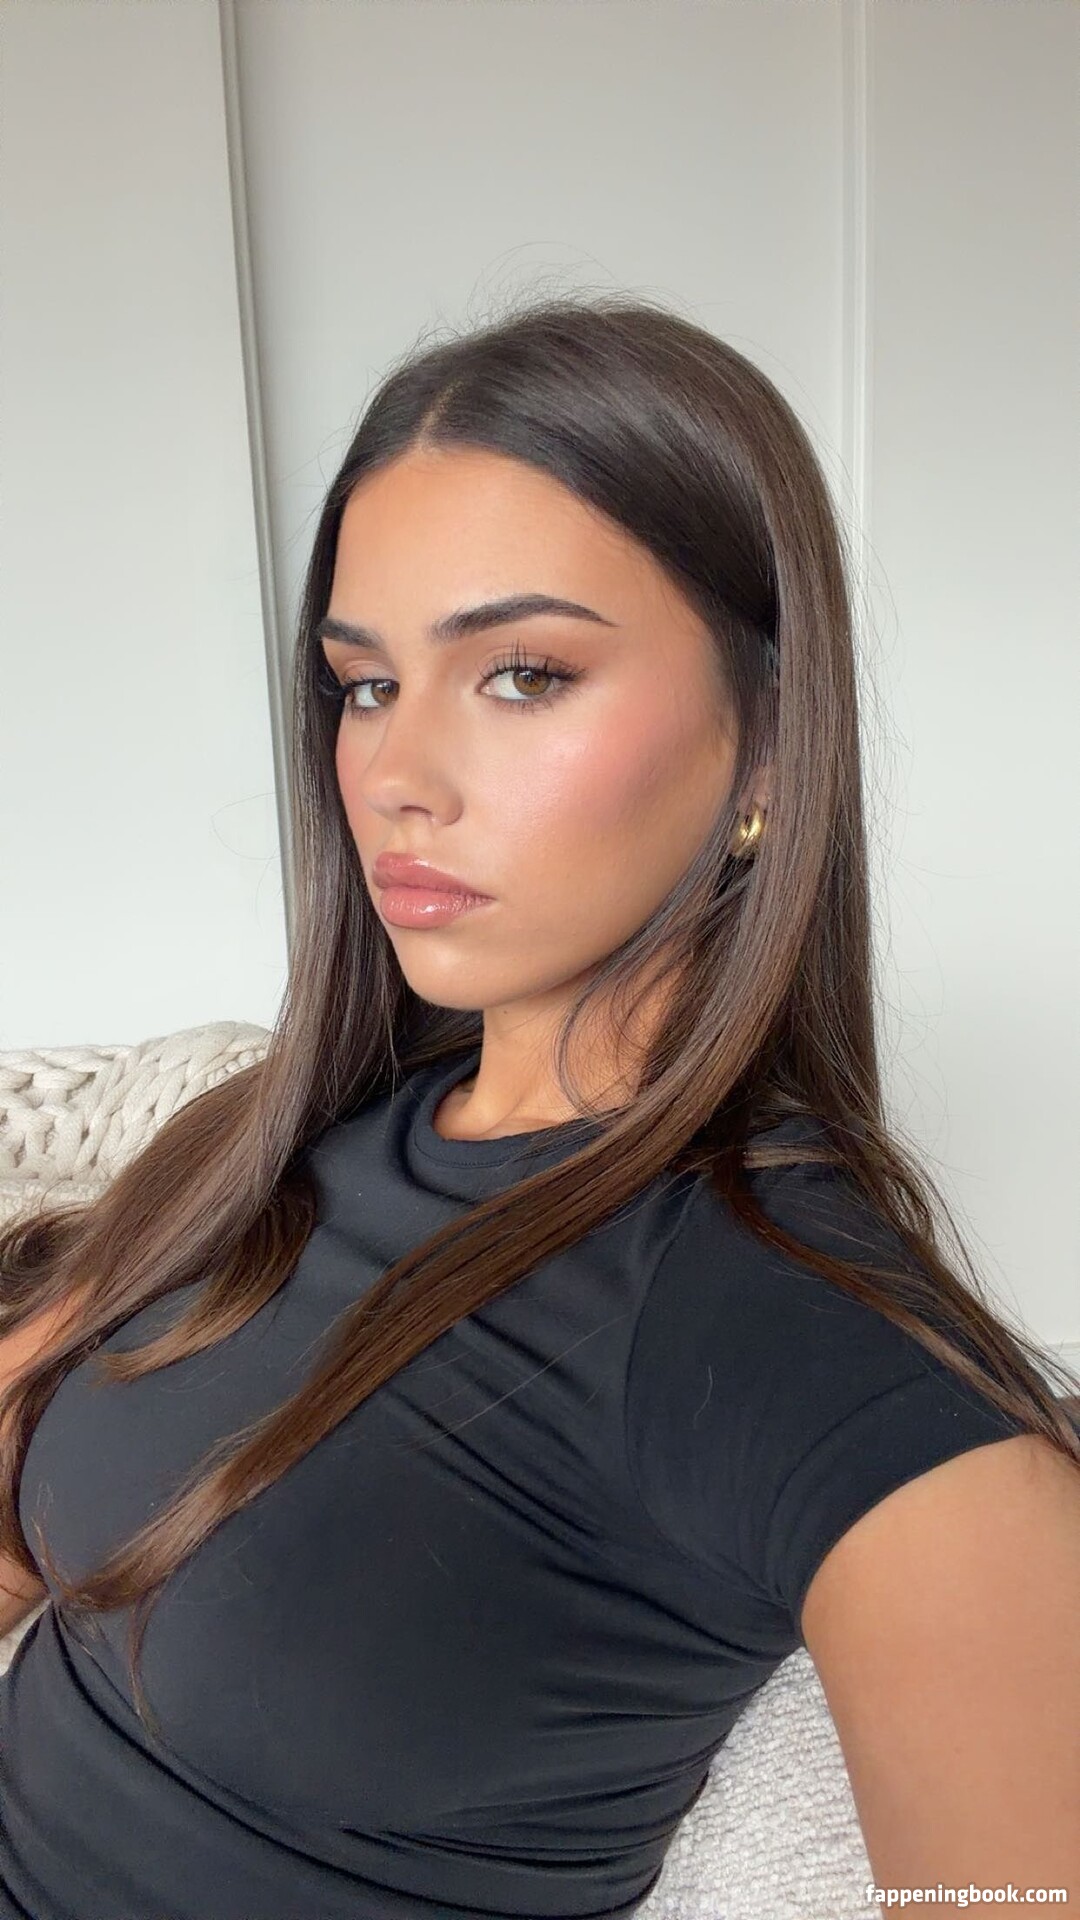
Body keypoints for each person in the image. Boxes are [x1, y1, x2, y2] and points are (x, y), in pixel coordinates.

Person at [1, 292, 1078, 1920]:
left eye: (521, 673)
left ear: (769, 743)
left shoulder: (802, 1349)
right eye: (366, 685)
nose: (395, 776)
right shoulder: (277, 1132)